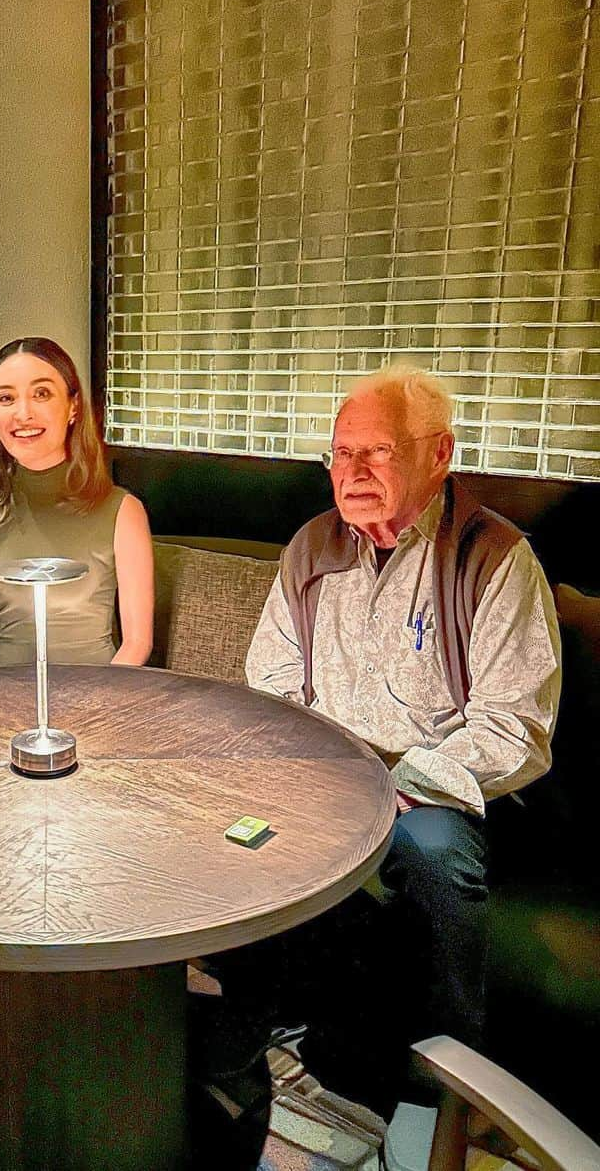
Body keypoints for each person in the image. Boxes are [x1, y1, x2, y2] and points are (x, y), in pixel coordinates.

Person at [242, 364, 561, 1115]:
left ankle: (449, 1087)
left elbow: (514, 725)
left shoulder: (493, 557)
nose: (351, 472)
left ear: (437, 454)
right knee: (238, 824)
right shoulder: (310, 548)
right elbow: (271, 678)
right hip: (326, 773)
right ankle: (261, 1030)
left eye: (376, 453)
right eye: (340, 453)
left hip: (441, 791)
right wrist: (316, 774)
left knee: (429, 855)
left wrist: (402, 782)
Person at [0, 336, 154, 667]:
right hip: (5, 700)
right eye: (6, 398)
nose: (23, 413)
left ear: (73, 406)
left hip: (103, 698)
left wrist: (99, 706)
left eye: (41, 394)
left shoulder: (123, 511)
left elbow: (137, 643)